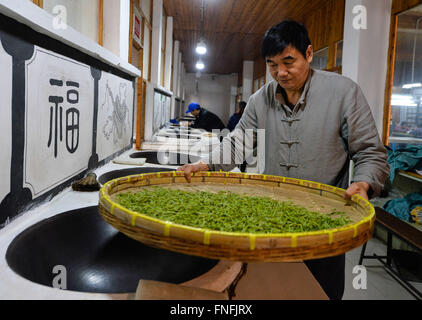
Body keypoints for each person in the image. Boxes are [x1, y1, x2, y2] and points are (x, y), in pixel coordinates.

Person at [178, 19, 389, 300]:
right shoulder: (259, 100)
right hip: (271, 217)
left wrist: (363, 183)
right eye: (272, 64)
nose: (280, 72)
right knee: (271, 287)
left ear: (309, 54)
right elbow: (238, 143)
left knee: (319, 291)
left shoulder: (344, 93)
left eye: (288, 62)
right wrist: (204, 164)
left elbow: (370, 152)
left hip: (324, 221)